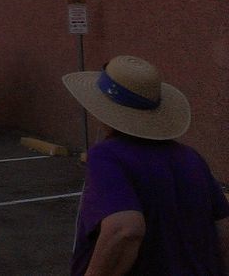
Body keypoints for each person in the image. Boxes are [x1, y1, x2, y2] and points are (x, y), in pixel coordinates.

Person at [63, 55, 229, 275]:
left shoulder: (108, 155)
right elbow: (223, 227)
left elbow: (125, 230)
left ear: (104, 110)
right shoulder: (190, 157)